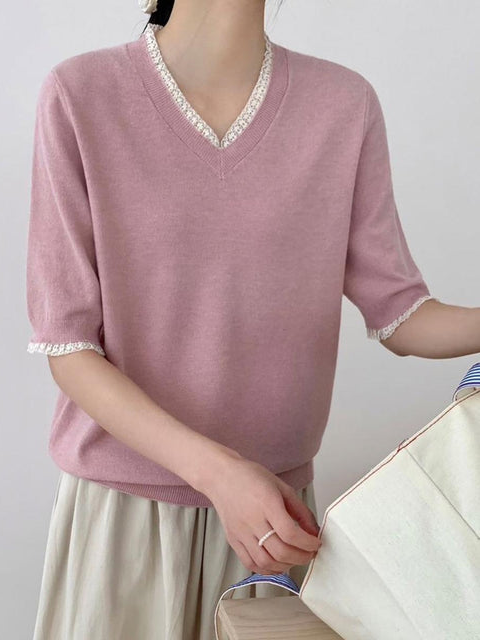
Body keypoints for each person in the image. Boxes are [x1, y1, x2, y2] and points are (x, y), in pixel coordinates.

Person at [27, 0, 474, 638]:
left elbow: (403, 317)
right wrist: (222, 476)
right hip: (126, 524)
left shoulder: (343, 105)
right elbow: (69, 348)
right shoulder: (81, 94)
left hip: (274, 531)